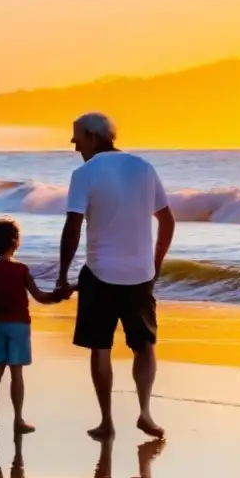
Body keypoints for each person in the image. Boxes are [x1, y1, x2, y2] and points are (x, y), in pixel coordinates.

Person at [56, 112, 175, 439]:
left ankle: (107, 421)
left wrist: (63, 275)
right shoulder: (144, 168)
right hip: (140, 274)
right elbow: (167, 222)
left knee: (100, 347)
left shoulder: (85, 173)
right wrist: (155, 265)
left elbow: (73, 227)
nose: (74, 144)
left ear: (94, 137)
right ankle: (145, 413)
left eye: (77, 137)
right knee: (145, 345)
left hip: (99, 273)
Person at [0, 218, 63, 434]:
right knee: (16, 372)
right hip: (18, 325)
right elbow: (39, 296)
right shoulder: (21, 270)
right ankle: (18, 419)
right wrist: (58, 296)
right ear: (15, 241)